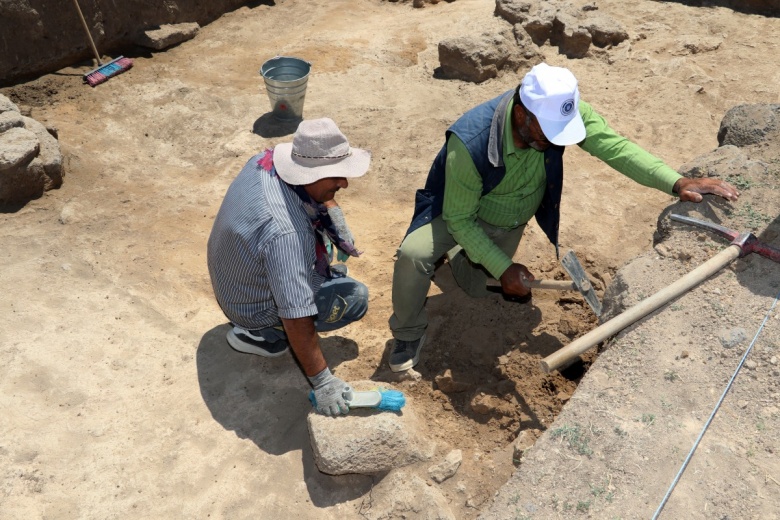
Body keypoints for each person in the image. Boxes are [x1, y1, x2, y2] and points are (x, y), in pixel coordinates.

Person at [387, 62, 740, 373]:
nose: (556, 141)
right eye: (548, 133)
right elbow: (460, 219)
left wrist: (675, 181)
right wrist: (504, 268)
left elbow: (616, 148)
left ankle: (458, 260)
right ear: (522, 113)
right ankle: (407, 332)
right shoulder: (472, 142)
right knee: (415, 256)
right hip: (456, 211)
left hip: (505, 220)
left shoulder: (561, 111)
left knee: (478, 289)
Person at [207, 118, 371, 415]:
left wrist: (328, 206)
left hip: (233, 276)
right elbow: (297, 316)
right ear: (306, 173)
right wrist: (323, 382)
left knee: (316, 264)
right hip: (250, 306)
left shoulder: (264, 161)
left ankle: (262, 317)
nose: (344, 183)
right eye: (336, 176)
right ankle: (258, 333)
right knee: (355, 298)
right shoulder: (286, 235)